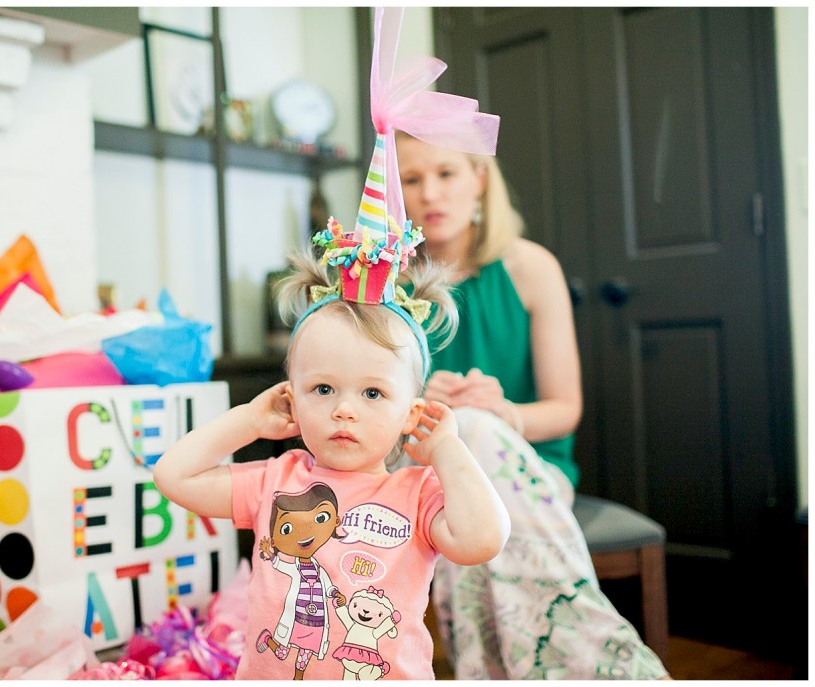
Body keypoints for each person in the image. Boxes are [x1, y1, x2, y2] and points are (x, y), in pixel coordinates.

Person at [154, 230, 512, 680]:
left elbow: (484, 539)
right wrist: (248, 420)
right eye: (322, 389)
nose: (344, 409)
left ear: (411, 413)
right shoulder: (276, 481)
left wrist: (446, 450)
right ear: (292, 398)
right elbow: (173, 476)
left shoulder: (417, 492)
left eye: (373, 392)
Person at [396, 131, 671, 679]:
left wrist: (507, 416)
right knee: (457, 441)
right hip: (421, 478)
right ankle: (601, 659)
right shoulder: (385, 282)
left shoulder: (530, 267)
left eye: (446, 173)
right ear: (395, 193)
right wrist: (416, 406)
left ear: (478, 178)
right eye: (411, 179)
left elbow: (565, 408)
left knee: (470, 433)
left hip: (531, 471)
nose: (431, 193)